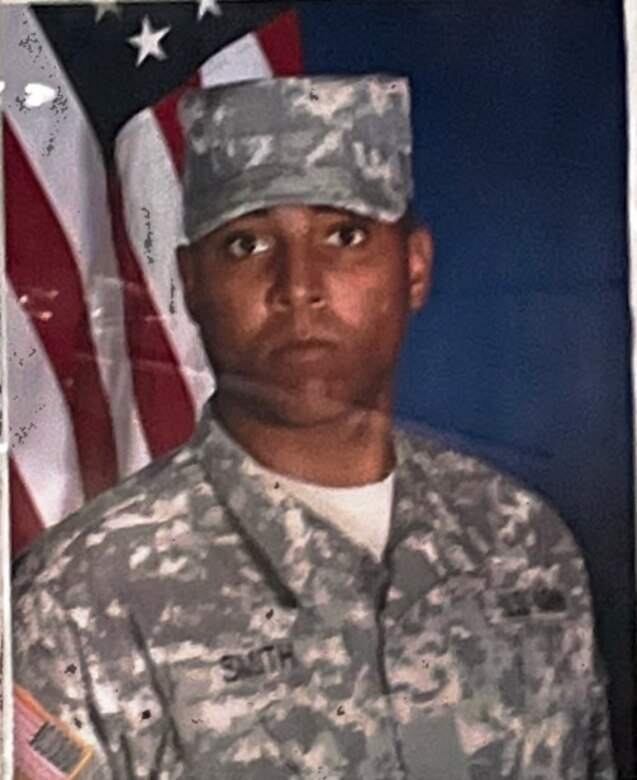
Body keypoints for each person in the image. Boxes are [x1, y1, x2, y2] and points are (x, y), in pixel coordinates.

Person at [12, 75, 616, 780]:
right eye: (246, 244)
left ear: (413, 267)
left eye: (344, 234)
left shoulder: (521, 544)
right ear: (191, 282)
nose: (298, 284)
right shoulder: (84, 598)